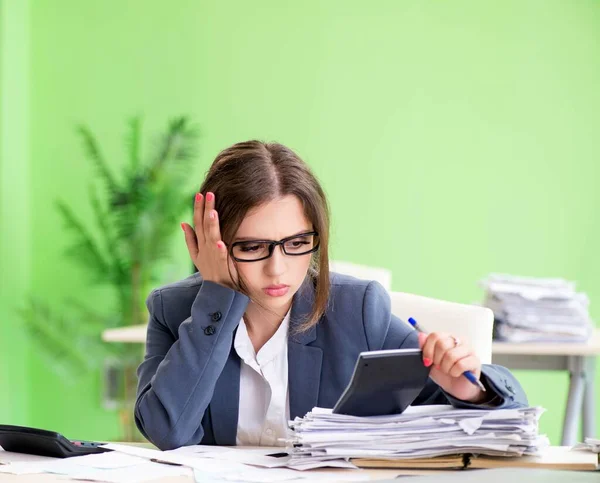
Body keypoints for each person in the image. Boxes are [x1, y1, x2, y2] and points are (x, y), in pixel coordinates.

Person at [134, 140, 527, 451]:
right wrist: (216, 297)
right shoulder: (175, 310)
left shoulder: (358, 310)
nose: (278, 268)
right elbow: (167, 431)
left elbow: (495, 413)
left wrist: (469, 390)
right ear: (208, 242)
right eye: (252, 247)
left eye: (297, 242)